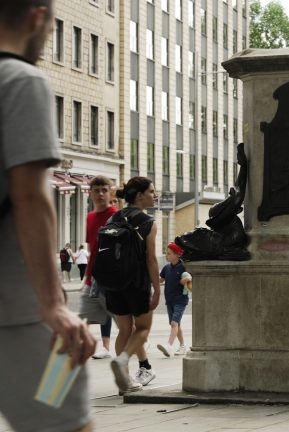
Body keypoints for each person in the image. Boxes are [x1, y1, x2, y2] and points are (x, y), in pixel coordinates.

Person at [0, 1, 96, 430]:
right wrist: (55, 305)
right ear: (37, 17)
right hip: (19, 312)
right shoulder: (20, 81)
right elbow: (30, 197)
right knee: (64, 424)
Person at [104, 177, 161, 393]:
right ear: (139, 195)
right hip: (137, 283)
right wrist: (157, 289)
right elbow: (151, 260)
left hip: (114, 283)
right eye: (151, 192)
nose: (154, 196)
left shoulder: (113, 218)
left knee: (125, 330)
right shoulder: (148, 222)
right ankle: (123, 360)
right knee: (143, 329)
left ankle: (125, 383)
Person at [82, 176, 117, 360]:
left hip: (112, 276)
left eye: (104, 190)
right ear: (90, 193)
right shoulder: (90, 217)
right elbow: (91, 248)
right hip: (94, 275)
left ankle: (138, 342)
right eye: (96, 190)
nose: (101, 194)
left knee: (119, 316)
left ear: (110, 192)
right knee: (87, 315)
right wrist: (87, 276)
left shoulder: (116, 215)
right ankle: (93, 346)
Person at [157, 243, 192, 357]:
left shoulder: (183, 267)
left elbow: (189, 278)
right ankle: (182, 346)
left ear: (177, 255)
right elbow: (160, 280)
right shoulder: (166, 268)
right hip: (170, 300)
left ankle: (169, 346)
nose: (166, 256)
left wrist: (186, 280)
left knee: (174, 323)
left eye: (169, 253)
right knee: (177, 325)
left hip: (180, 300)